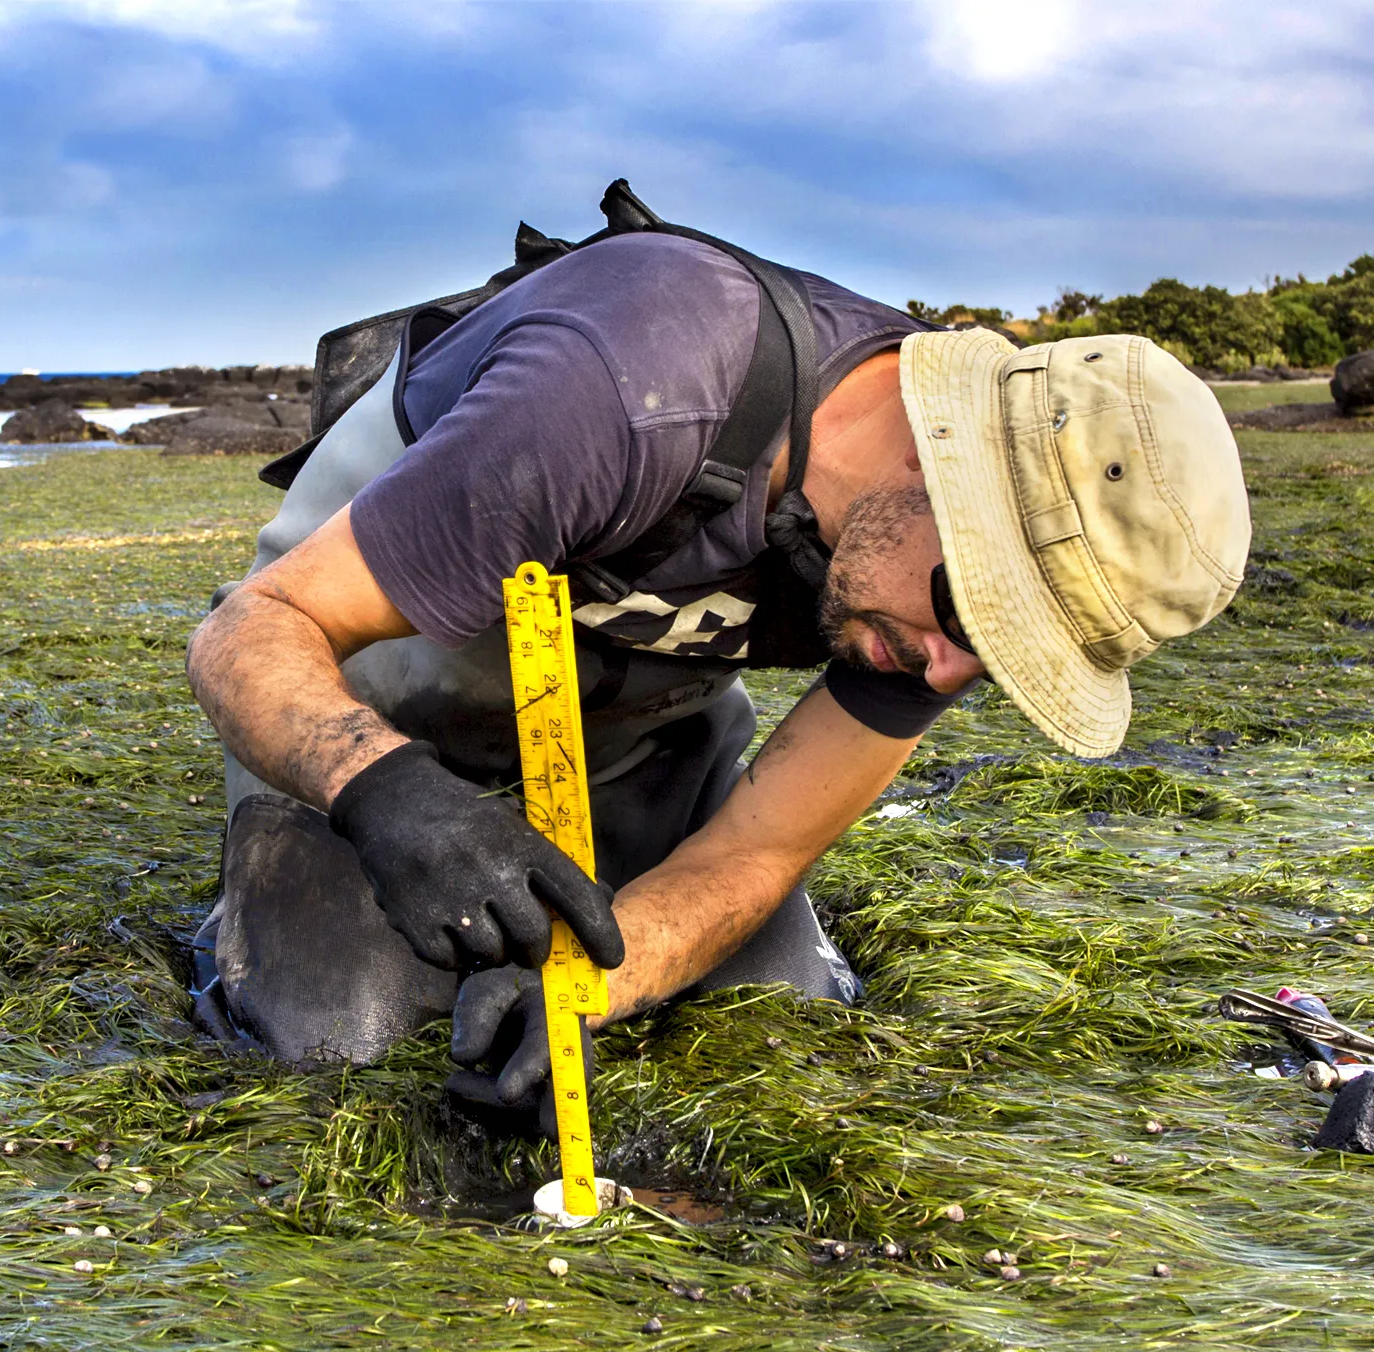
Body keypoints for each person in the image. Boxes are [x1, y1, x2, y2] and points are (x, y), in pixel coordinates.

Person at [185, 190, 1251, 1133]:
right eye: (975, 616)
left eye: (1001, 661)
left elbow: (757, 854)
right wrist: (385, 793)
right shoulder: (634, 384)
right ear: (941, 466)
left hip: (635, 749)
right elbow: (248, 633)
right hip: (371, 702)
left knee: (786, 1018)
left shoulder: (922, 610)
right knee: (335, 1038)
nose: (940, 676)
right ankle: (246, 904)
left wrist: (596, 989)